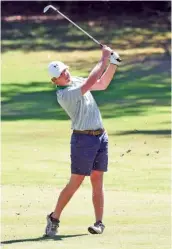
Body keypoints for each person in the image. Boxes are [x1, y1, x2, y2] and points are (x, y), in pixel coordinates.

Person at [45, 45, 121, 236]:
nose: (66, 74)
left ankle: (99, 223)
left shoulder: (75, 81)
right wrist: (104, 59)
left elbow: (101, 84)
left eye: (66, 70)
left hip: (101, 136)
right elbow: (90, 83)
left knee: (97, 179)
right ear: (55, 80)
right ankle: (54, 218)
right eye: (62, 74)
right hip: (83, 139)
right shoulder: (64, 94)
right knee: (76, 181)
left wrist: (112, 64)